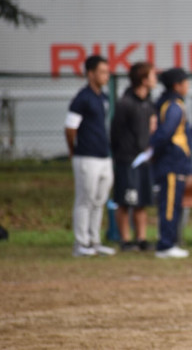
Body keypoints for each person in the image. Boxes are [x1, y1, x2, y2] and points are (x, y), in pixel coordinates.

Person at [64, 55, 116, 257]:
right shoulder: (82, 98)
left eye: (107, 71)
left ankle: (94, 241)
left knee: (99, 199)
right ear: (90, 73)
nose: (106, 76)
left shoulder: (102, 97)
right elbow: (70, 128)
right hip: (86, 156)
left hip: (104, 156)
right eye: (102, 72)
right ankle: (80, 242)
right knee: (84, 200)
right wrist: (73, 150)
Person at [110, 62, 157, 252]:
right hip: (127, 160)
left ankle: (141, 238)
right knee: (125, 200)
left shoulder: (148, 102)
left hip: (144, 160)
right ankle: (125, 240)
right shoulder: (125, 103)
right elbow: (115, 133)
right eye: (152, 75)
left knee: (142, 201)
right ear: (143, 80)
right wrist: (122, 155)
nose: (155, 79)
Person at [150, 67, 192, 258]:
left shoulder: (171, 104)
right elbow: (165, 133)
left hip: (174, 163)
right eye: (185, 82)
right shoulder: (174, 105)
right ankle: (165, 245)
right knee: (169, 205)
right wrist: (154, 150)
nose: (187, 86)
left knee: (173, 204)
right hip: (171, 163)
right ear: (177, 85)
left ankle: (170, 242)